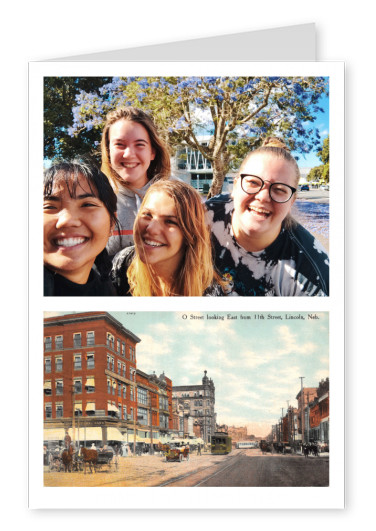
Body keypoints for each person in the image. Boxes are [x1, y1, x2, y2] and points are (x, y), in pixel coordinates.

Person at [206, 137, 329, 296]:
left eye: (279, 189)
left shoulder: (311, 274)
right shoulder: (203, 216)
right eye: (253, 183)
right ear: (235, 186)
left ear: (292, 201)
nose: (263, 197)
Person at [111, 180, 226, 296]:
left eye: (170, 221)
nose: (152, 228)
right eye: (147, 215)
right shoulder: (122, 264)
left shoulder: (210, 294)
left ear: (190, 234)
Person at [101, 106, 171, 257]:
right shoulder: (95, 199)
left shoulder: (176, 196)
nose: (129, 154)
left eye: (139, 144)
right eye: (119, 144)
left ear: (152, 152)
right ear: (108, 151)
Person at [43, 158, 119, 296]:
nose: (67, 221)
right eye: (49, 207)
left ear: (112, 224)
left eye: (87, 205)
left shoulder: (107, 290)